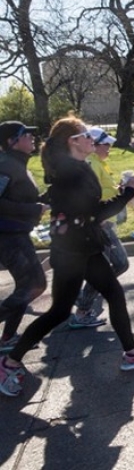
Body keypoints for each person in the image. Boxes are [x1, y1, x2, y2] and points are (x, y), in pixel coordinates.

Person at [0, 117, 134, 398]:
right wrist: (128, 193)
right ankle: (9, 362)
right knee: (59, 312)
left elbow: (74, 205)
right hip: (73, 251)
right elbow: (94, 213)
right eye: (87, 135)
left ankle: (132, 353)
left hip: (82, 247)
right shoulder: (72, 172)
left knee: (112, 293)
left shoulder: (74, 168)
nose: (93, 139)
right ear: (72, 141)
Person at [69, 126, 130, 329]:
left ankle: (83, 302)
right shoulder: (90, 165)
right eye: (105, 144)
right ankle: (82, 305)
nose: (109, 147)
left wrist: (119, 191)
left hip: (103, 220)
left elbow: (102, 191)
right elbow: (87, 198)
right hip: (99, 223)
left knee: (115, 265)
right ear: (93, 145)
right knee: (119, 264)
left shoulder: (98, 163)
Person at [0, 121, 49, 356]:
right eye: (25, 134)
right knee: (35, 284)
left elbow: (22, 196)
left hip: (17, 233)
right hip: (8, 237)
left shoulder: (16, 164)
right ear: (11, 141)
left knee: (25, 286)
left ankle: (8, 337)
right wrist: (32, 210)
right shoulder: (5, 165)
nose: (31, 137)